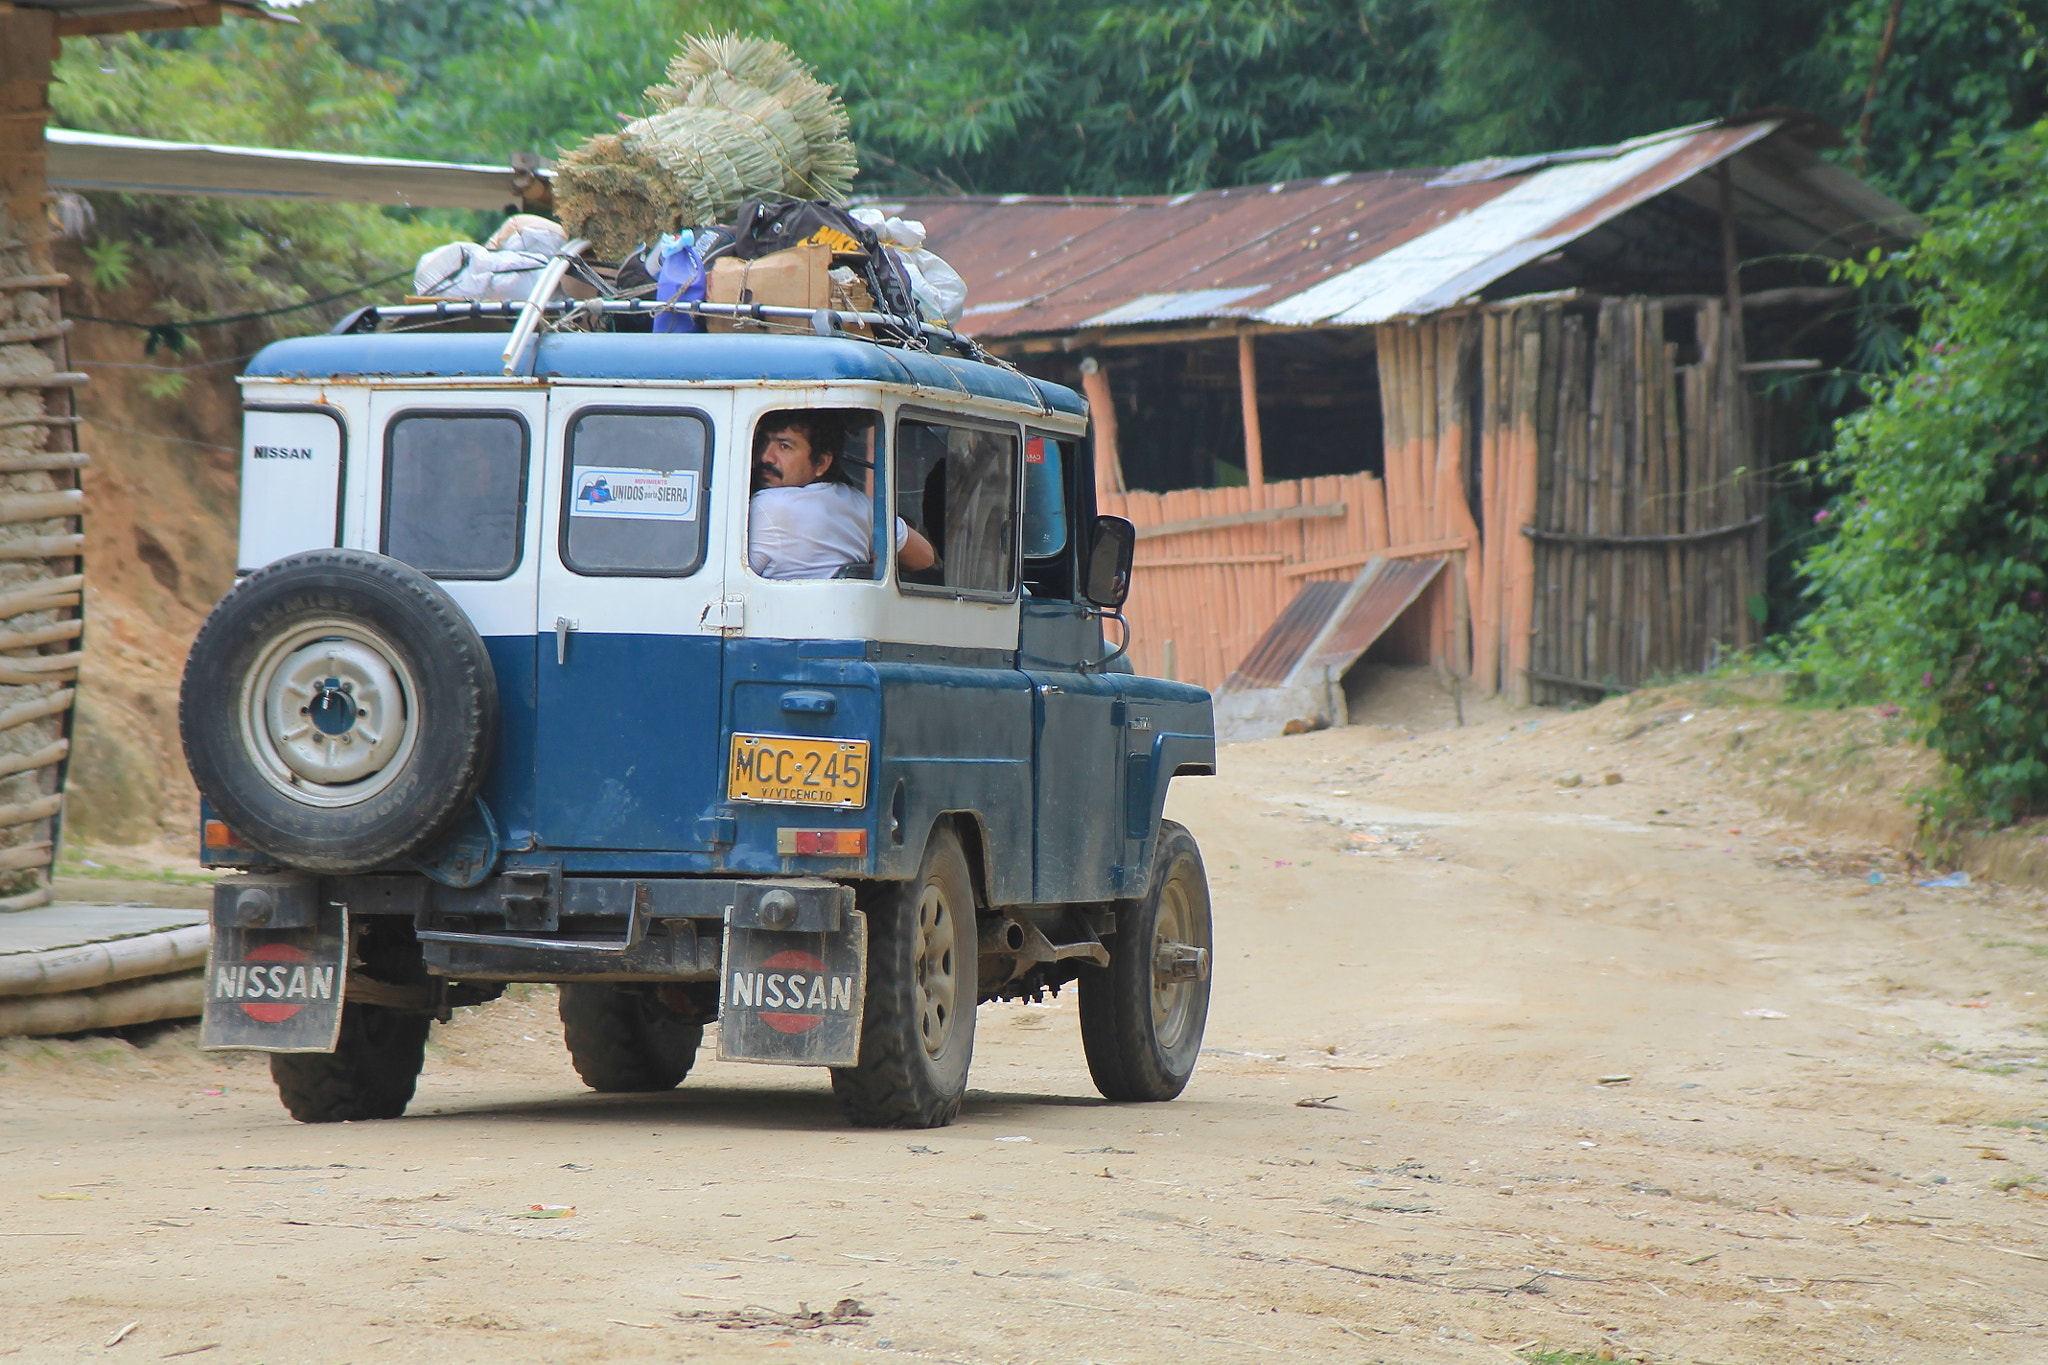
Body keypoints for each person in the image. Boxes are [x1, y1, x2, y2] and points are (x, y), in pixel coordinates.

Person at [748, 410, 937, 580]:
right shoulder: (864, 506)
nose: (766, 457)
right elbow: (923, 557)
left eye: (784, 447)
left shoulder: (767, 505)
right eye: (764, 442)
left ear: (821, 462)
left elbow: (724, 580)